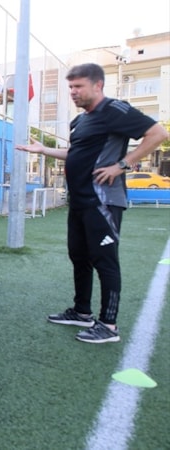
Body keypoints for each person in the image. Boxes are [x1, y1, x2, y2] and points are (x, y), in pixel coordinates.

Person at [16, 63, 168, 344]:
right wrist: (43, 149)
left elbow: (158, 134)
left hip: (103, 200)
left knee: (105, 261)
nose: (73, 92)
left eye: (78, 86)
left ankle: (108, 325)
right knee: (79, 256)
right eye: (70, 87)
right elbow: (75, 152)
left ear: (98, 85)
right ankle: (81, 312)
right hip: (79, 201)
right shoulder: (80, 121)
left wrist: (122, 165)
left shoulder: (115, 110)